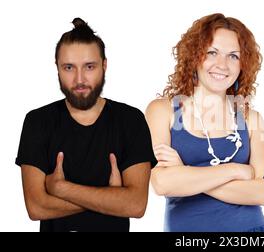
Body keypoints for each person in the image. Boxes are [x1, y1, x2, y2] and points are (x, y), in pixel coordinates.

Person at [15, 18, 158, 232]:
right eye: (69, 67)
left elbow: (136, 205)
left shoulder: (131, 120)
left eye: (89, 66)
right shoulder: (37, 121)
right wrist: (111, 198)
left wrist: (61, 189)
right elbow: (36, 207)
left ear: (104, 65)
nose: (79, 79)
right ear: (57, 68)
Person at [145, 13, 264, 232]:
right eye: (212, 52)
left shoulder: (252, 120)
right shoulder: (162, 111)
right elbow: (162, 183)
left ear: (244, 64)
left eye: (233, 56)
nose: (222, 64)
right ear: (195, 56)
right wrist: (235, 170)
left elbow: (263, 193)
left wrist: (185, 173)